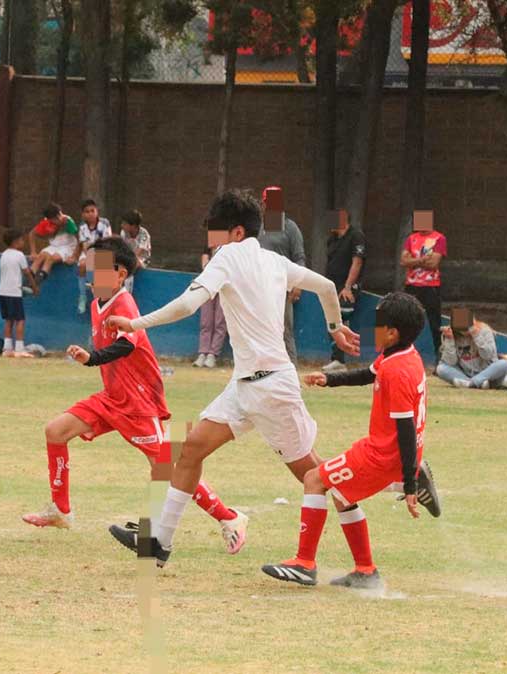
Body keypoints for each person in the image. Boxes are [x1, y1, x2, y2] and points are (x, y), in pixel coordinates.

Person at [104, 188, 362, 567]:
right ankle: (159, 541)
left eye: (215, 232)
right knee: (191, 448)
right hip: (245, 386)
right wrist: (335, 326)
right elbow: (325, 287)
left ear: (237, 232)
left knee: (315, 475)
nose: (211, 241)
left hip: (272, 387)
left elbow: (188, 305)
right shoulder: (275, 261)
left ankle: (391, 485)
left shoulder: (228, 256)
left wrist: (134, 323)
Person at [22, 237, 250, 555]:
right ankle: (61, 510)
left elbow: (128, 344)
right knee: (55, 431)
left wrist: (92, 358)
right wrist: (90, 355)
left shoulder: (124, 303)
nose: (93, 275)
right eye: (92, 267)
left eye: (102, 269)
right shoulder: (94, 304)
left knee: (168, 468)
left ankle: (230, 518)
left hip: (138, 404)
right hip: (111, 398)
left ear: (120, 274)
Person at [261, 291, 439, 590]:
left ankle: (304, 563)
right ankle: (365, 570)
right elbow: (368, 374)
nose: (373, 328)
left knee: (314, 479)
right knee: (343, 495)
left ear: (393, 333)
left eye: (378, 323)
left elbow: (406, 428)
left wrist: (408, 484)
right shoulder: (401, 355)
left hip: (382, 455)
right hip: (385, 451)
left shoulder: (397, 370)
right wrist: (330, 379)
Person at [255, 186, 307, 363]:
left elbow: (300, 257)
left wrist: (298, 284)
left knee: (284, 331)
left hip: (282, 289)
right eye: (267, 202)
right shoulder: (257, 227)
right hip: (259, 288)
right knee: (260, 331)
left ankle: (290, 372)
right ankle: (262, 373)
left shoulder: (290, 227)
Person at [322, 210, 366, 373]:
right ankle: (337, 358)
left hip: (346, 288)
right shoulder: (332, 239)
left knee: (340, 316)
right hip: (333, 286)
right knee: (332, 318)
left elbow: (357, 262)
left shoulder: (356, 236)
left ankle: (340, 359)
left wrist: (348, 287)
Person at [400, 211, 446, 360]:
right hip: (412, 285)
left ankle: (440, 358)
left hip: (431, 285)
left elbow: (434, 263)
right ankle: (403, 354)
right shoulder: (411, 238)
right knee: (407, 319)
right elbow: (403, 261)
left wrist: (413, 260)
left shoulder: (439, 238)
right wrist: (422, 260)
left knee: (435, 323)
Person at [436, 309, 507, 389]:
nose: (465, 331)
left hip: (488, 375)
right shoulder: (452, 334)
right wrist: (449, 339)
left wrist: (476, 335)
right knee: (441, 368)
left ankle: (471, 383)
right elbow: (450, 362)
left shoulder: (485, 330)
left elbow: (487, 355)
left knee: (504, 364)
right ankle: (474, 384)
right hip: (465, 373)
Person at [0, 228, 38, 358]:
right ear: (16, 242)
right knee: (20, 320)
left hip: (2, 292)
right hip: (14, 292)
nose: (23, 242)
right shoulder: (19, 255)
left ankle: (7, 348)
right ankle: (20, 348)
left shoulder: (4, 254)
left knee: (8, 320)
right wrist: (34, 287)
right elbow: (27, 273)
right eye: (22, 240)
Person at [193, 244, 227, 369]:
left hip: (224, 285)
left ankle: (212, 355)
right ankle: (203, 353)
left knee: (220, 321)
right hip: (208, 283)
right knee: (206, 320)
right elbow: (205, 261)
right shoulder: (211, 241)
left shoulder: (233, 245)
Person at [75, 199, 112, 314]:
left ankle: (103, 301)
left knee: (103, 263)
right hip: (88, 254)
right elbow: (85, 247)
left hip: (103, 252)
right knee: (82, 265)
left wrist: (95, 248)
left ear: (97, 212)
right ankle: (82, 297)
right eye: (87, 211)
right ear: (83, 214)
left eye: (92, 210)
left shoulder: (105, 223)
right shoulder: (82, 227)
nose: (90, 213)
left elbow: (107, 243)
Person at [28, 203, 79, 284]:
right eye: (54, 219)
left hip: (68, 247)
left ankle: (38, 281)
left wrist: (74, 256)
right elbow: (32, 234)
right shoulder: (46, 222)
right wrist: (33, 252)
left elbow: (79, 239)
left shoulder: (67, 221)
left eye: (59, 216)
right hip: (54, 246)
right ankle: (28, 280)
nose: (58, 219)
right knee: (41, 256)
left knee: (51, 258)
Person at [119, 210, 150, 294]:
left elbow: (137, 253)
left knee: (132, 263)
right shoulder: (123, 233)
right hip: (128, 257)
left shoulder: (144, 234)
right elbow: (122, 249)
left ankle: (127, 293)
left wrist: (126, 261)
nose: (122, 226)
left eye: (125, 224)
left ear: (133, 226)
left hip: (142, 260)